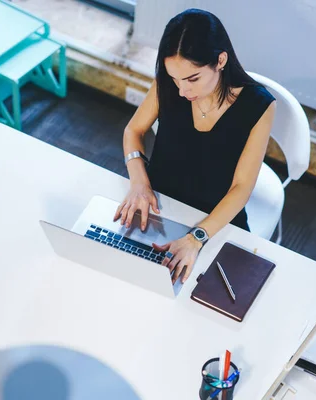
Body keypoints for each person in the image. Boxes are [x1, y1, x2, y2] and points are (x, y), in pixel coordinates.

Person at [114, 8, 276, 285]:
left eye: (192, 79)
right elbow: (134, 130)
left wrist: (195, 238)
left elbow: (242, 188)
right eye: (174, 79)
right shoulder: (170, 82)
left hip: (215, 221)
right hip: (159, 206)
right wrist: (139, 182)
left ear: (220, 60)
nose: (181, 91)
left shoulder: (259, 106)